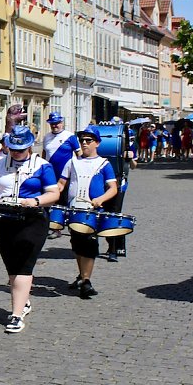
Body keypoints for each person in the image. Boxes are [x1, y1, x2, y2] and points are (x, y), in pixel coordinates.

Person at [0, 125, 60, 333]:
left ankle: (16, 315)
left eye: (20, 149)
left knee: (23, 266)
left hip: (32, 220)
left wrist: (35, 201)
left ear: (29, 146)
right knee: (11, 265)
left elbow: (54, 194)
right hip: (3, 220)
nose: (16, 153)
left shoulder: (42, 166)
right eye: (12, 149)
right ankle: (23, 300)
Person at [57, 125, 118, 299]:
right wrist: (52, 193)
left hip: (92, 211)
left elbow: (113, 188)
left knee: (89, 245)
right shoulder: (72, 162)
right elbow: (61, 183)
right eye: (82, 140)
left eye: (88, 140)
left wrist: (101, 199)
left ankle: (86, 281)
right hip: (74, 209)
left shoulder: (104, 164)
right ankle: (82, 276)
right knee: (77, 244)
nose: (84, 143)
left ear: (97, 143)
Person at [104, 129, 138, 263]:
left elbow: (134, 166)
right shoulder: (108, 145)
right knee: (102, 213)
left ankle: (113, 249)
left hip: (120, 182)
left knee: (114, 214)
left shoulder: (130, 146)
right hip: (102, 181)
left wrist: (130, 158)